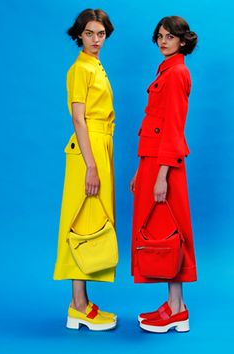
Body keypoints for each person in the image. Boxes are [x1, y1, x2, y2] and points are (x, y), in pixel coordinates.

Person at [130, 16, 198, 333]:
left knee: (170, 233)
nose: (162, 41)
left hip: (164, 165)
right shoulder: (166, 71)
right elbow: (154, 126)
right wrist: (141, 169)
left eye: (169, 36)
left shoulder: (176, 74)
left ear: (182, 40)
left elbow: (172, 128)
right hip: (153, 162)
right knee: (162, 234)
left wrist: (161, 175)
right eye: (159, 36)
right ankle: (175, 305)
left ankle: (177, 309)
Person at [53, 9, 117, 331]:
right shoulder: (79, 69)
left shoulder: (95, 65)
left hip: (100, 146)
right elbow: (78, 118)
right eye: (90, 33)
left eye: (101, 34)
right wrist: (91, 165)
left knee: (93, 220)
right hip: (88, 150)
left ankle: (81, 302)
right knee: (82, 221)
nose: (95, 40)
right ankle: (77, 305)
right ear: (79, 34)